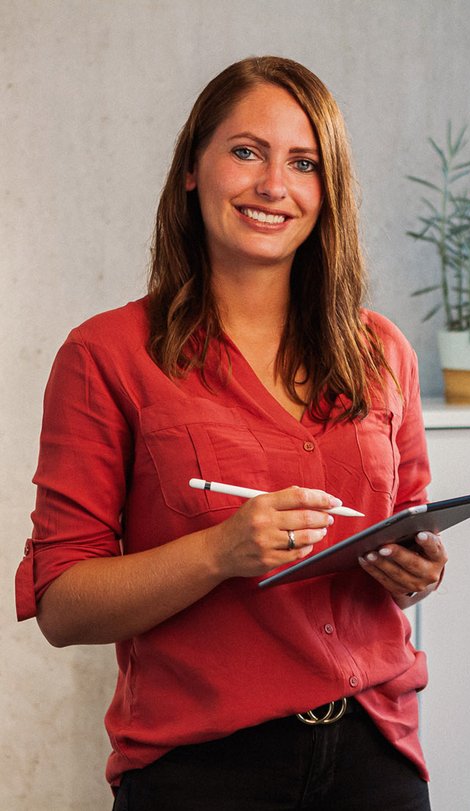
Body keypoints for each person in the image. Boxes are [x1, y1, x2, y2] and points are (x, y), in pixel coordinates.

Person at [14, 55, 446, 810]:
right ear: (192, 167)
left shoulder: (384, 353)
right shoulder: (106, 355)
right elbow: (62, 604)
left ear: (327, 190)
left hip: (376, 758)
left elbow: (411, 527)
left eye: (303, 162)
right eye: (247, 151)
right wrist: (220, 551)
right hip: (202, 774)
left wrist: (420, 568)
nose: (273, 185)